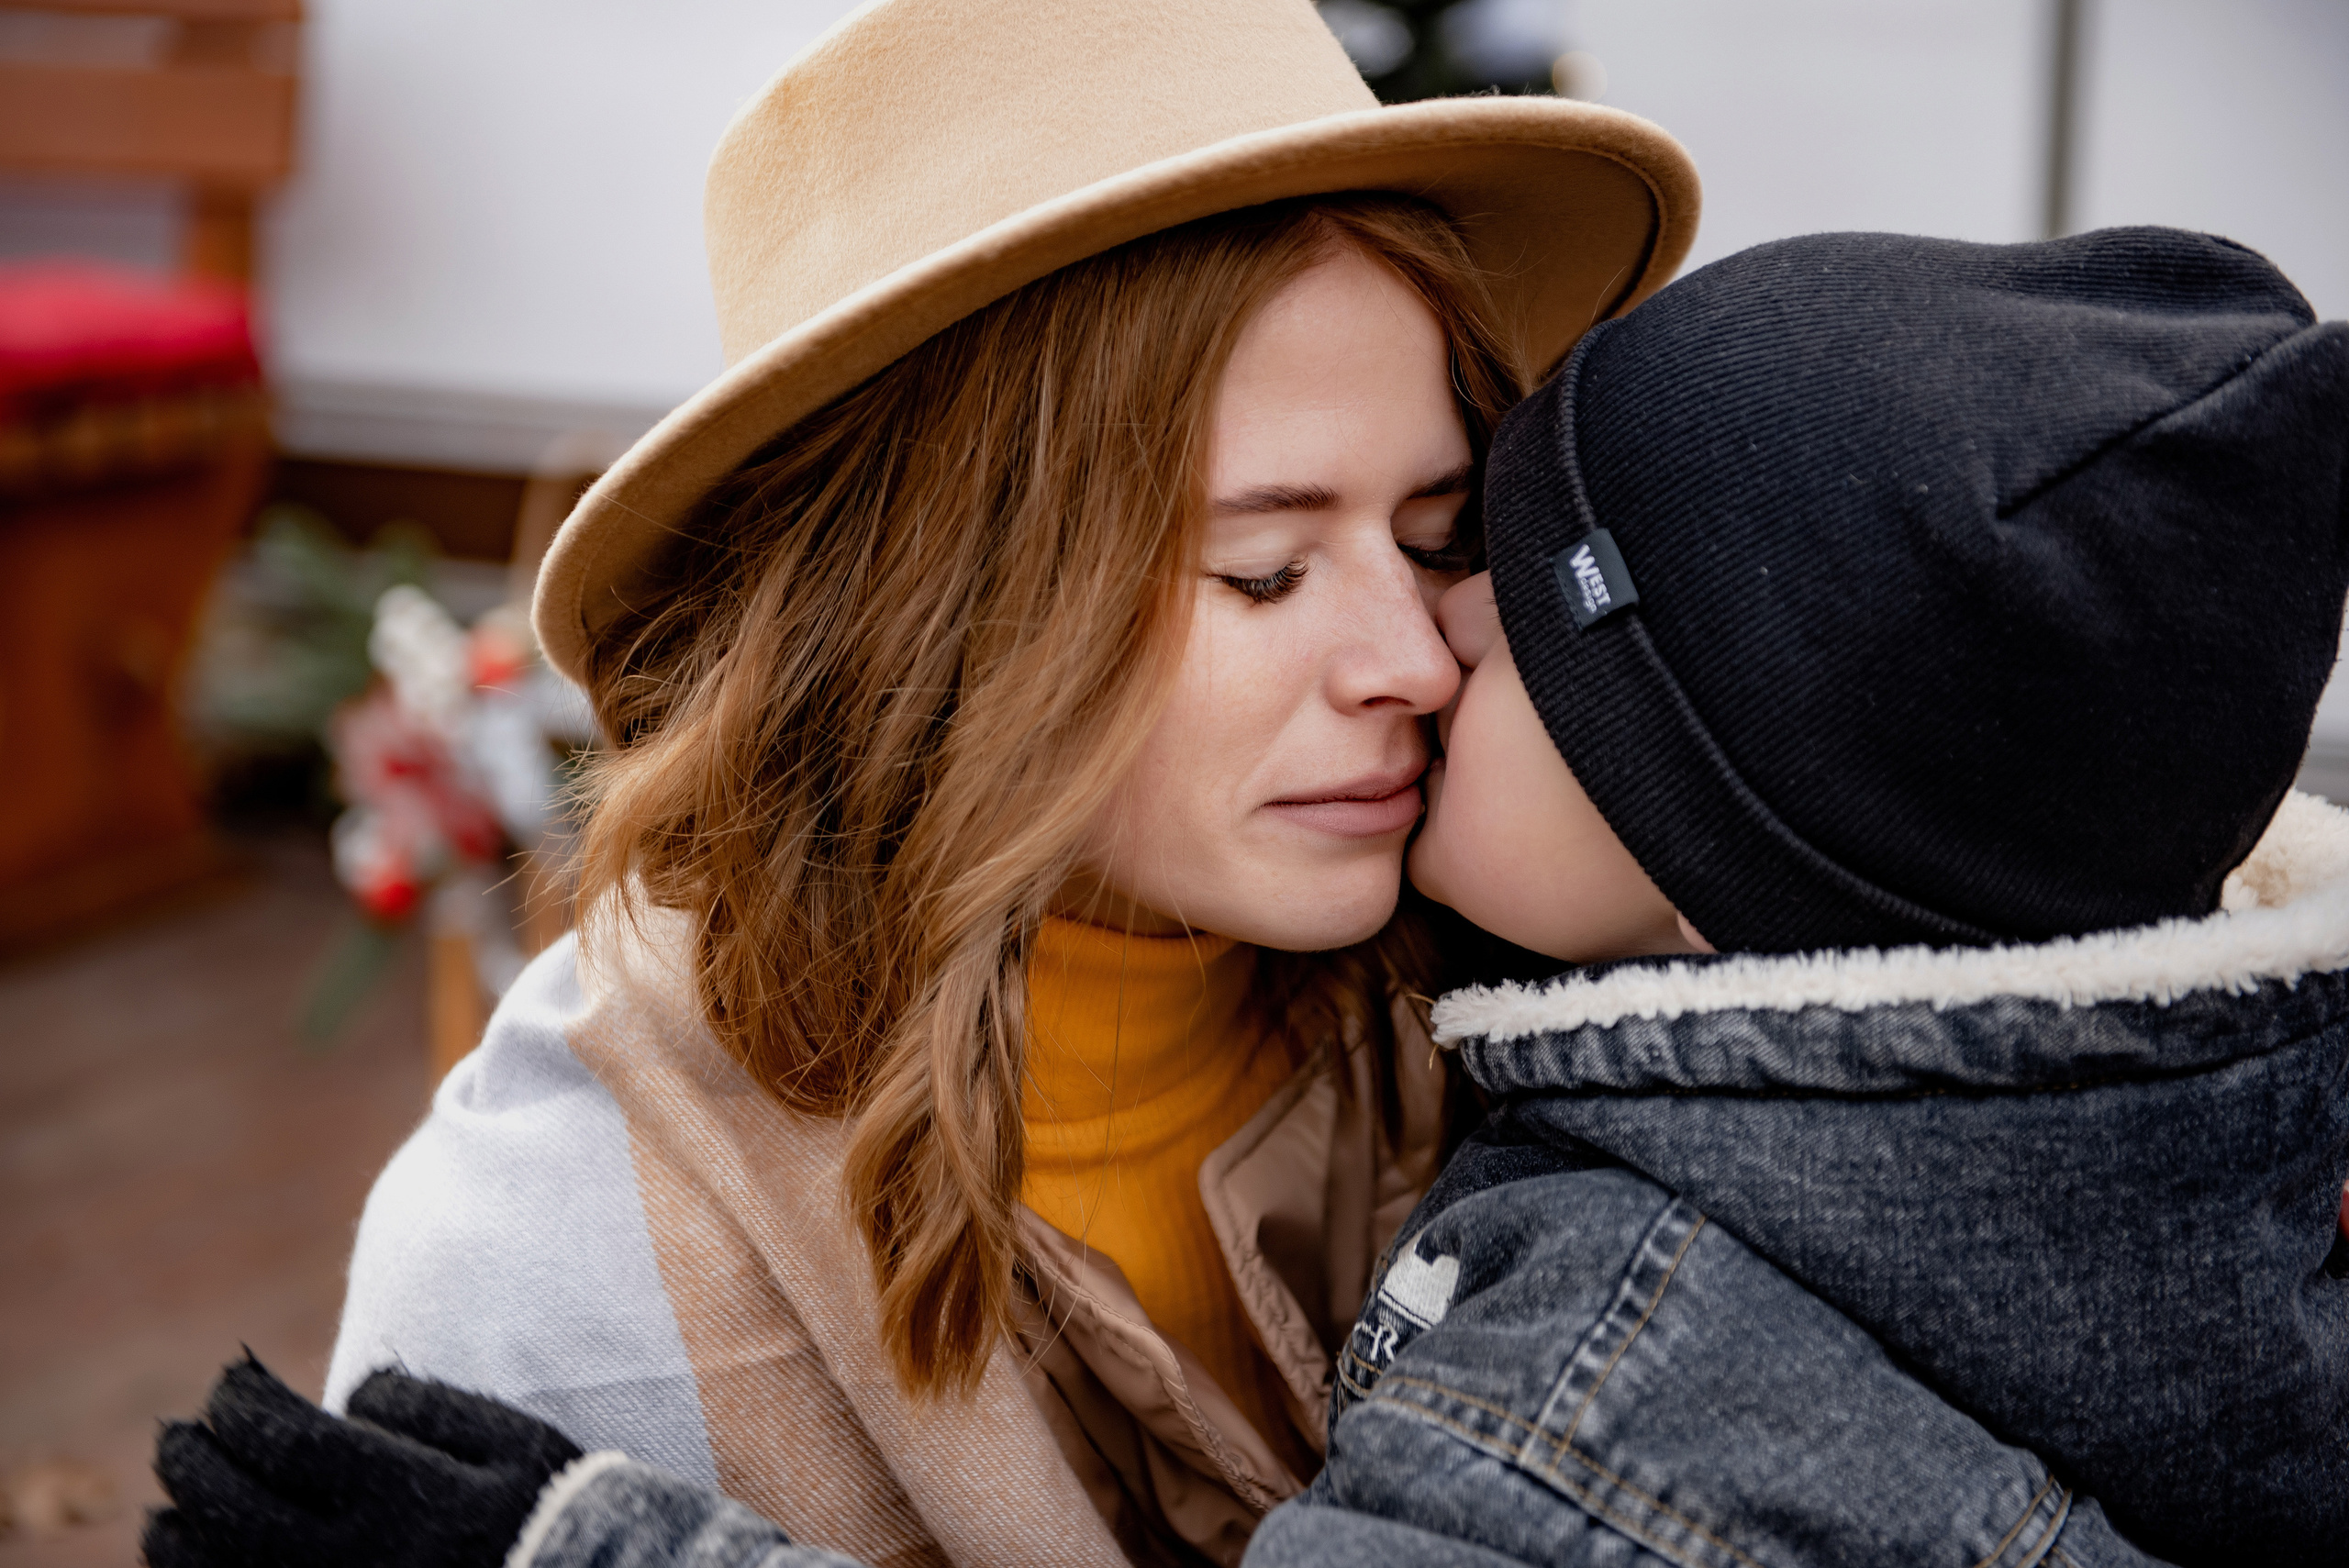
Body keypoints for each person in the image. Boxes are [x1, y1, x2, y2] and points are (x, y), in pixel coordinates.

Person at [146, 1, 1699, 1565]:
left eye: (1435, 535)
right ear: (934, 607)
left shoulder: (1547, 1010)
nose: (1414, 660)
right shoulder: (561, 1276)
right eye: (1263, 569)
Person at [1264, 226, 2349, 1567]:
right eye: (1470, 541)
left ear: (1724, 874)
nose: (1447, 630)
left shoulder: (1578, 1421)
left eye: (1543, 629)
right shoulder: (2246, 1258)